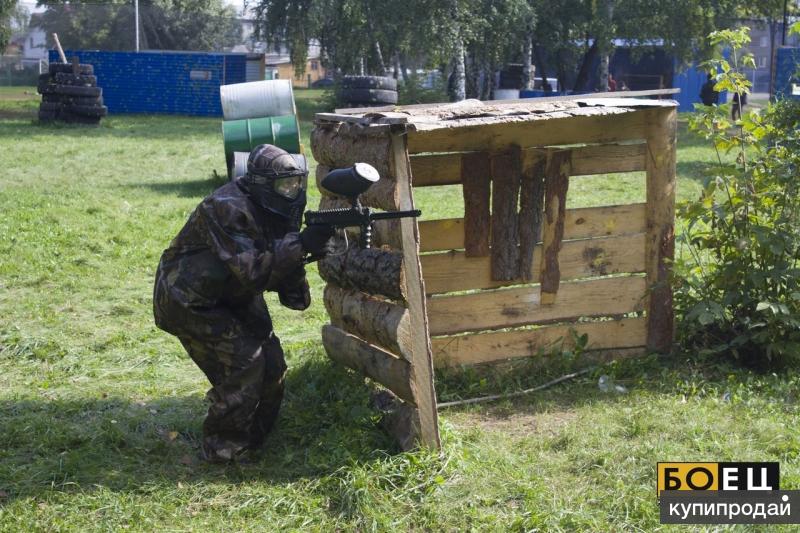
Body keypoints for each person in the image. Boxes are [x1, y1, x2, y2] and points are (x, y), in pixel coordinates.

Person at [152, 144, 335, 463]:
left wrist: (301, 266)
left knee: (272, 361)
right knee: (244, 363)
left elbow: (282, 264)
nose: (292, 191)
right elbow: (252, 270)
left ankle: (254, 440)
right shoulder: (226, 207)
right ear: (263, 184)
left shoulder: (280, 207)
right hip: (189, 298)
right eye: (284, 185)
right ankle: (225, 450)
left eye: (296, 184)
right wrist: (301, 244)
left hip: (233, 293)